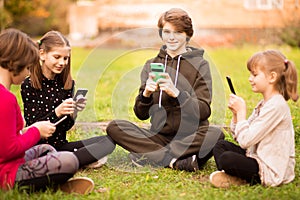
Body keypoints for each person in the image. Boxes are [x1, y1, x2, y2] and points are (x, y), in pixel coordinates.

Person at [106, 8, 224, 171]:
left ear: (188, 35)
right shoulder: (151, 64)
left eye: (178, 32)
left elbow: (203, 111)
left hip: (190, 138)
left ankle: (150, 155)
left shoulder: (200, 65)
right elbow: (141, 115)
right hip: (158, 137)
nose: (171, 37)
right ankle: (175, 161)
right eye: (167, 32)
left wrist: (177, 94)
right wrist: (146, 94)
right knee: (115, 127)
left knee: (216, 135)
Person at [0, 28, 94, 194]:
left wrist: (71, 113)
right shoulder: (6, 99)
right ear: (15, 63)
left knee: (48, 151)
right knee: (69, 160)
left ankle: (49, 182)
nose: (29, 72)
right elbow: (9, 150)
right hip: (6, 174)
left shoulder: (6, 96)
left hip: (13, 161)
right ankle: (51, 184)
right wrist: (36, 131)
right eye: (28, 67)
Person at [21, 30, 115, 168]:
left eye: (65, 58)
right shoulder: (29, 85)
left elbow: (66, 127)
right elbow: (33, 128)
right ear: (42, 54)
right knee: (84, 151)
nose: (62, 62)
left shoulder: (67, 84)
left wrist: (73, 112)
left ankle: (68, 160)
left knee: (108, 142)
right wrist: (57, 113)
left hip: (61, 146)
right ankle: (75, 160)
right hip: (38, 148)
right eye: (57, 57)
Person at [210, 50, 298, 188]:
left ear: (272, 77)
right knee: (220, 146)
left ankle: (240, 178)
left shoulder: (277, 106)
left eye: (255, 75)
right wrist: (235, 115)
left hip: (269, 168)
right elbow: (238, 137)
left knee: (228, 158)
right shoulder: (263, 104)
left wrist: (242, 113)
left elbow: (245, 141)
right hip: (255, 155)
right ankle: (235, 176)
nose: (250, 79)